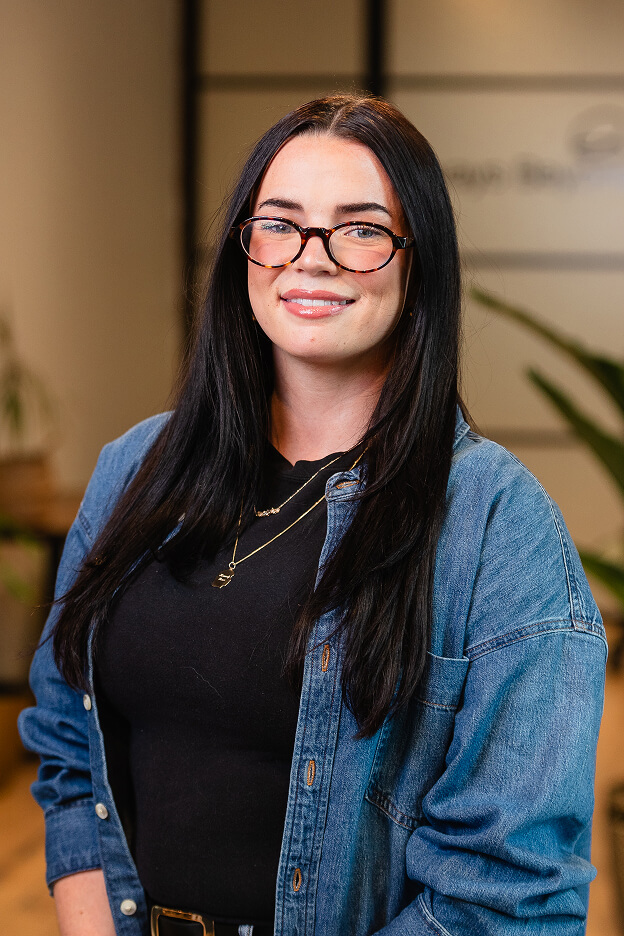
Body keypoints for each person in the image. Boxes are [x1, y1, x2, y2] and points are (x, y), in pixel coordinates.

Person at [19, 95, 606, 936]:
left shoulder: (497, 524)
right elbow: (67, 742)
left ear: (418, 261)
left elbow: (511, 894)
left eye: (362, 229)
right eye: (281, 223)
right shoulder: (134, 470)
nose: (312, 259)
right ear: (243, 249)